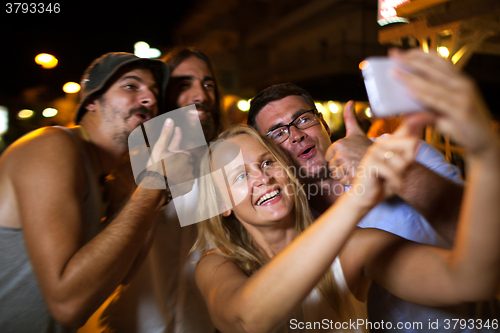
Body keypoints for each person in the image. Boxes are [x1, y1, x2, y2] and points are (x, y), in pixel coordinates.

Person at [193, 100, 500, 332]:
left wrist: (486, 154)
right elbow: (246, 319)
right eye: (238, 176)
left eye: (266, 163)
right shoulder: (216, 264)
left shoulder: (353, 249)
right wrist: (357, 201)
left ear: (287, 171)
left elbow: (470, 280)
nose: (262, 179)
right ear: (223, 204)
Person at [246, 51, 500, 330]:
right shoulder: (286, 221)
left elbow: (485, 234)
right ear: (267, 153)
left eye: (303, 119)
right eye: (278, 133)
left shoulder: (400, 149)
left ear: (323, 123)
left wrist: (393, 169)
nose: (295, 134)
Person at [0, 52, 192, 332]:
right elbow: (69, 306)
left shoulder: (108, 178)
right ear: (91, 101)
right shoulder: (53, 145)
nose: (150, 99)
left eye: (153, 92)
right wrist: (153, 183)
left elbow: (121, 272)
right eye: (131, 86)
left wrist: (153, 189)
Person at [79, 47, 221, 332]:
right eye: (184, 85)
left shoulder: (225, 160)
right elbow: (115, 265)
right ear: (163, 96)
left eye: (208, 85)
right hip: (134, 324)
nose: (201, 96)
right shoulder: (128, 162)